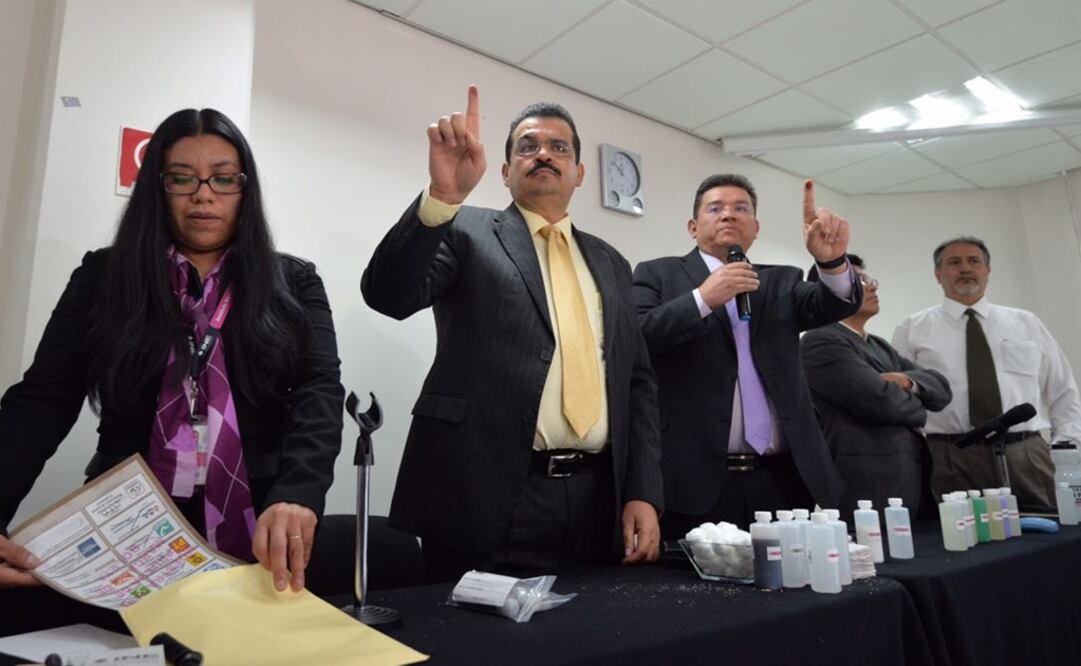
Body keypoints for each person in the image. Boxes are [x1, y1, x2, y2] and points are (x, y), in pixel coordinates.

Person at [0, 109, 344, 610]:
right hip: (128, 523)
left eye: (223, 178)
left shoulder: (293, 283)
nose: (203, 195)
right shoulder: (104, 277)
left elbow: (319, 391)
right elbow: (42, 401)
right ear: (157, 188)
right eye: (182, 178)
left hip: (258, 516)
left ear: (245, 189)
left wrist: (299, 491)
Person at [362, 86, 662, 581]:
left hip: (596, 499)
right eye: (528, 146)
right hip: (482, 493)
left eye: (559, 147)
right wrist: (442, 197)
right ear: (505, 172)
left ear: (579, 173)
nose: (543, 154)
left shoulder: (612, 262)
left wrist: (643, 492)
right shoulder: (465, 229)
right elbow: (388, 295)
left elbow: (638, 383)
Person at [633, 173, 860, 538]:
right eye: (715, 209)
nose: (728, 214)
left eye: (741, 208)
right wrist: (702, 299)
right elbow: (638, 338)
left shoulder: (781, 281)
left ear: (755, 228)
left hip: (783, 480)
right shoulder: (657, 274)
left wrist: (832, 263)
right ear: (693, 227)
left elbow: (832, 304)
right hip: (695, 480)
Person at [892, 236, 1081, 511]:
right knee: (965, 533)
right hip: (951, 455)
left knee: (1053, 529)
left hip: (1026, 452)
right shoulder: (912, 329)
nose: (965, 268)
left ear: (988, 270)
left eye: (974, 261)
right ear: (938, 274)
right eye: (954, 262)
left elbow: (1063, 390)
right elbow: (901, 401)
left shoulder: (1026, 322)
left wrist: (1067, 448)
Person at [801, 254, 951, 520]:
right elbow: (884, 403)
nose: (871, 286)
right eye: (859, 280)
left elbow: (941, 390)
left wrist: (907, 382)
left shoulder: (878, 345)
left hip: (908, 476)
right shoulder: (820, 341)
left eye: (869, 279)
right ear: (827, 291)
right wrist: (919, 407)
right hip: (868, 484)